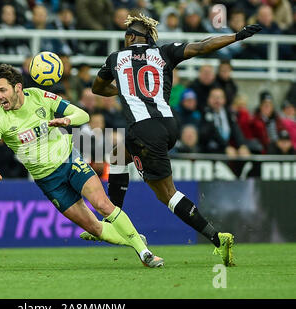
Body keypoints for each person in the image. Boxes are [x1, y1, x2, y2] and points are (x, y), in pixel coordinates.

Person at [91, 13, 262, 266]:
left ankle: (218, 238)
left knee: (167, 195)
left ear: (130, 38)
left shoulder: (116, 58)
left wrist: (124, 90)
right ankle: (112, 218)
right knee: (118, 152)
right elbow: (203, 46)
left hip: (144, 130)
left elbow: (97, 88)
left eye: (126, 35)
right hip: (169, 126)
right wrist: (236, 36)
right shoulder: (164, 52)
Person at [0, 64, 163, 268]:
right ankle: (134, 238)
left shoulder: (38, 97)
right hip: (48, 182)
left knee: (103, 205)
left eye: (3, 90)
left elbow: (83, 115)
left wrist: (65, 120)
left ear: (18, 87)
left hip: (69, 160)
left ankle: (144, 252)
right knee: (94, 228)